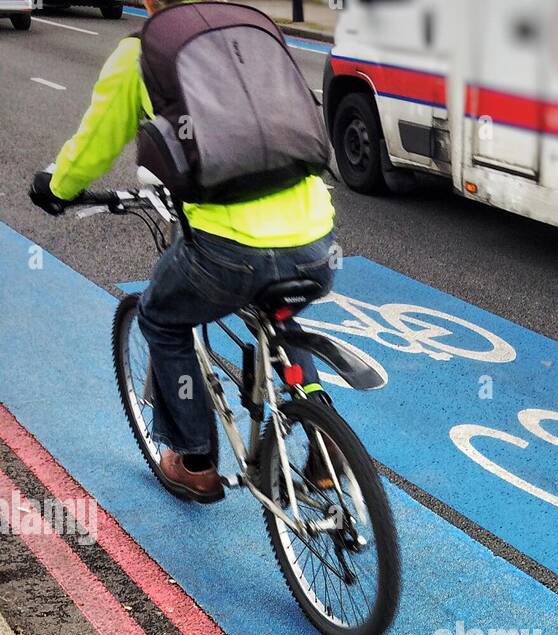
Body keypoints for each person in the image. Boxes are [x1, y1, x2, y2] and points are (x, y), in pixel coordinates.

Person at [30, 0, 336, 503]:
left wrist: (57, 188)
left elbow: (94, 146)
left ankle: (194, 461)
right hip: (315, 238)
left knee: (161, 318)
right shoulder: (251, 30)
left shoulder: (142, 54)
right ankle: (323, 436)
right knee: (281, 317)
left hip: (226, 249)